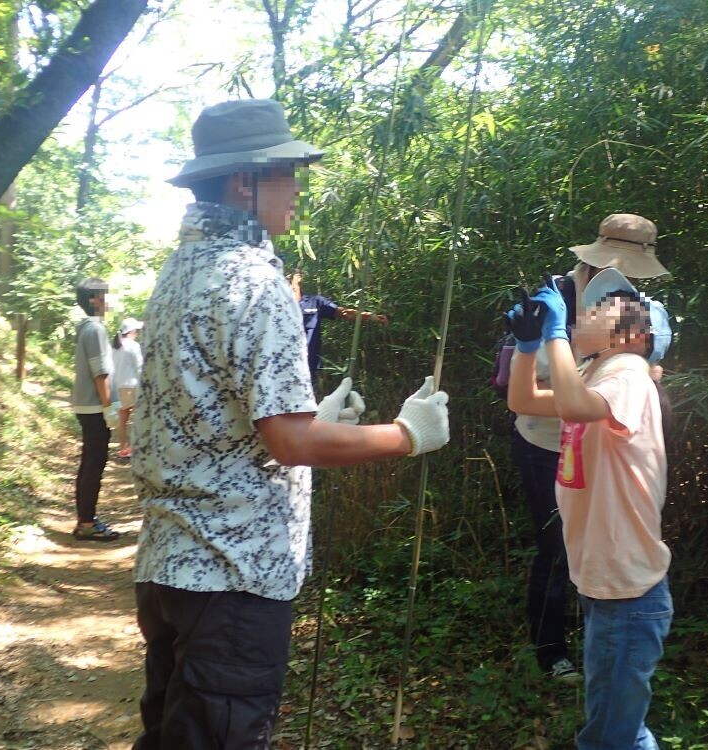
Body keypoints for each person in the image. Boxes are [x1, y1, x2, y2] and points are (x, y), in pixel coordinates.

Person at [130, 99, 451, 750]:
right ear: (244, 181)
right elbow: (291, 441)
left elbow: (210, 416)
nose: (297, 189)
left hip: (170, 569)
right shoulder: (254, 279)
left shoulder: (181, 271)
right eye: (286, 173)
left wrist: (315, 416)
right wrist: (407, 434)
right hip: (233, 580)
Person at [507, 269, 673, 750]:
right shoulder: (597, 376)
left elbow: (575, 405)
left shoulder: (629, 377)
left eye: (604, 309)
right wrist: (527, 347)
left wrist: (556, 333)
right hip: (607, 582)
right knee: (619, 729)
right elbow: (522, 400)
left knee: (608, 738)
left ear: (636, 337)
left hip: (627, 590)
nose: (587, 311)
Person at [70, 277, 121, 541]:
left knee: (90, 461)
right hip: (93, 406)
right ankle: (87, 523)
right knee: (94, 463)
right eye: (105, 294)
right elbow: (100, 373)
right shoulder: (95, 330)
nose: (109, 299)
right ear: (94, 300)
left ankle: (85, 519)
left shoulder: (87, 328)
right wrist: (108, 406)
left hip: (86, 405)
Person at [288, 267, 389, 382]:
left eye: (292, 275)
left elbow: (345, 313)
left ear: (299, 277)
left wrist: (371, 316)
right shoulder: (277, 306)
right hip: (282, 366)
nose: (288, 278)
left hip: (308, 367)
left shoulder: (315, 302)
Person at [112, 317, 144, 458]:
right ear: (131, 331)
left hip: (117, 386)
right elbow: (140, 367)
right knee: (139, 418)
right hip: (132, 386)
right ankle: (139, 448)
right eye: (136, 330)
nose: (137, 333)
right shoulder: (133, 346)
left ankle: (123, 449)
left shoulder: (114, 346)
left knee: (122, 420)